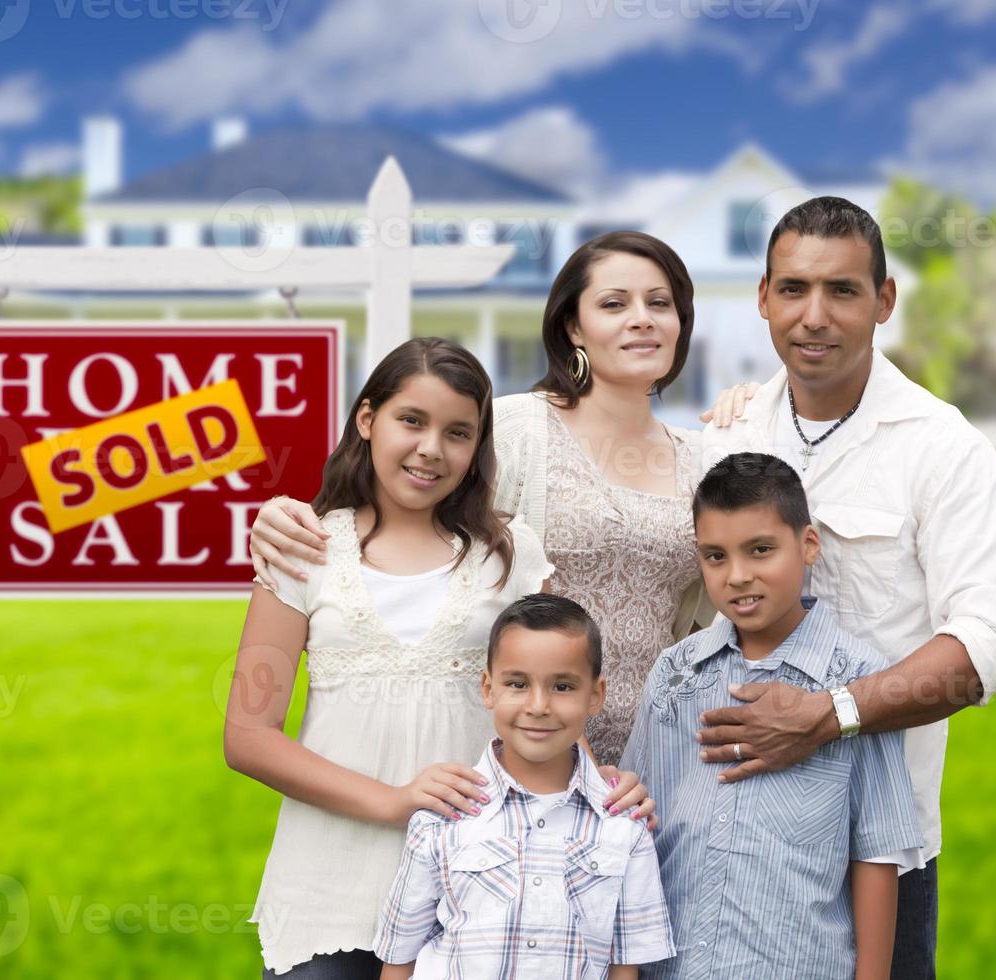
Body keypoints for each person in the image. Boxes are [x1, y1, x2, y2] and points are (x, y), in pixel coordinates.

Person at [224, 338, 650, 978]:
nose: (431, 449)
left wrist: (608, 792)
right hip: (328, 887)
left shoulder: (508, 555)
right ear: (368, 421)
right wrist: (393, 800)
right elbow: (247, 737)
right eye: (411, 421)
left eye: (458, 433)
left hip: (477, 891)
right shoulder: (305, 546)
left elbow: (546, 701)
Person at [692, 197, 996, 978]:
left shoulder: (943, 448)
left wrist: (828, 716)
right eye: (793, 289)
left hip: (877, 848)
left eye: (842, 290)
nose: (814, 316)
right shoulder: (728, 436)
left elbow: (993, 642)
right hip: (728, 836)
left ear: (884, 301)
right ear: (763, 298)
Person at [249, 231, 710, 768]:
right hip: (510, 758)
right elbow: (411, 508)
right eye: (614, 304)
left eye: (660, 303)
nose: (642, 319)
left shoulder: (706, 457)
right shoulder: (516, 429)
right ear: (573, 327)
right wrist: (288, 513)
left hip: (658, 758)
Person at [622, 452, 923, 979]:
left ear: (808, 545)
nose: (738, 576)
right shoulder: (675, 673)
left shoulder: (858, 680)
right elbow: (634, 827)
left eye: (760, 550)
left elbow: (876, 853)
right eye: (715, 557)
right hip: (674, 964)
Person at [374, 594, 675, 979]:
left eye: (563, 687)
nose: (538, 706)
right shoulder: (442, 818)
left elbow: (624, 968)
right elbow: (399, 959)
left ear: (595, 695)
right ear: (488, 689)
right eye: (517, 683)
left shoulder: (625, 826)